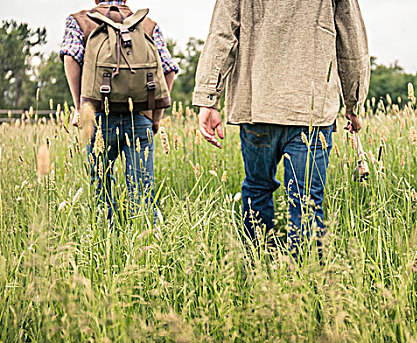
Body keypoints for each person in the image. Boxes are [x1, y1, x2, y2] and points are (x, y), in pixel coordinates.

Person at [193, 0, 370, 261]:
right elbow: (352, 43)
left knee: (257, 188)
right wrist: (354, 104)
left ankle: (258, 266)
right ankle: (306, 280)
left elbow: (222, 35)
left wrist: (208, 98)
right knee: (307, 199)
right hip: (311, 110)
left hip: (257, 105)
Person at [60, 0, 178, 221]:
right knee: (142, 193)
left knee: (100, 190)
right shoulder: (147, 24)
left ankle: (108, 245)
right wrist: (155, 119)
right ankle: (146, 248)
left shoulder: (79, 21)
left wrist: (79, 108)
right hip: (139, 119)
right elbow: (168, 69)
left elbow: (70, 57)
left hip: (97, 120)